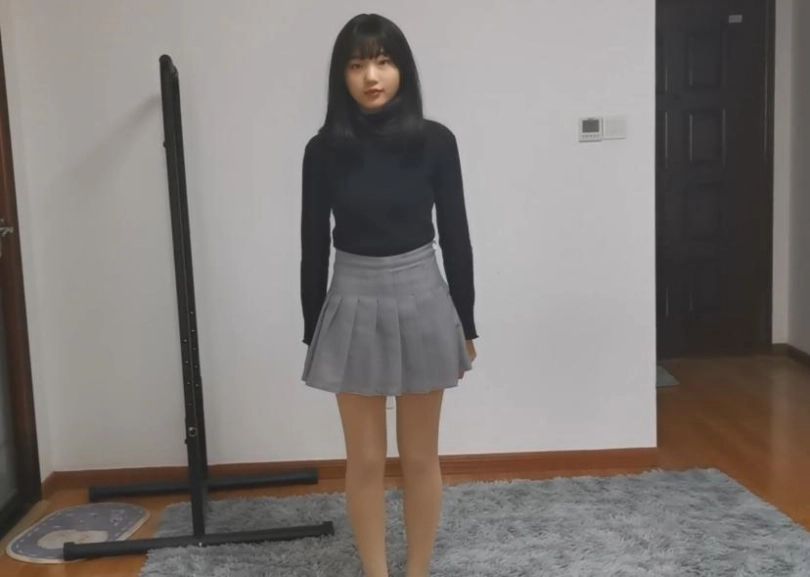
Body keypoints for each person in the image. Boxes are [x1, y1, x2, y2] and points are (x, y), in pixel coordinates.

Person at [299, 13, 478, 577]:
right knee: (366, 460)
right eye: (357, 65)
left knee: (420, 456)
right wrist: (313, 328)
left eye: (382, 61)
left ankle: (417, 569)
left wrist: (467, 322)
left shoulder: (436, 142)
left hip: (424, 296)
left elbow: (456, 236)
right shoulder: (322, 150)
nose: (371, 76)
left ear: (402, 68)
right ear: (341, 75)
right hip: (351, 297)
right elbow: (311, 245)